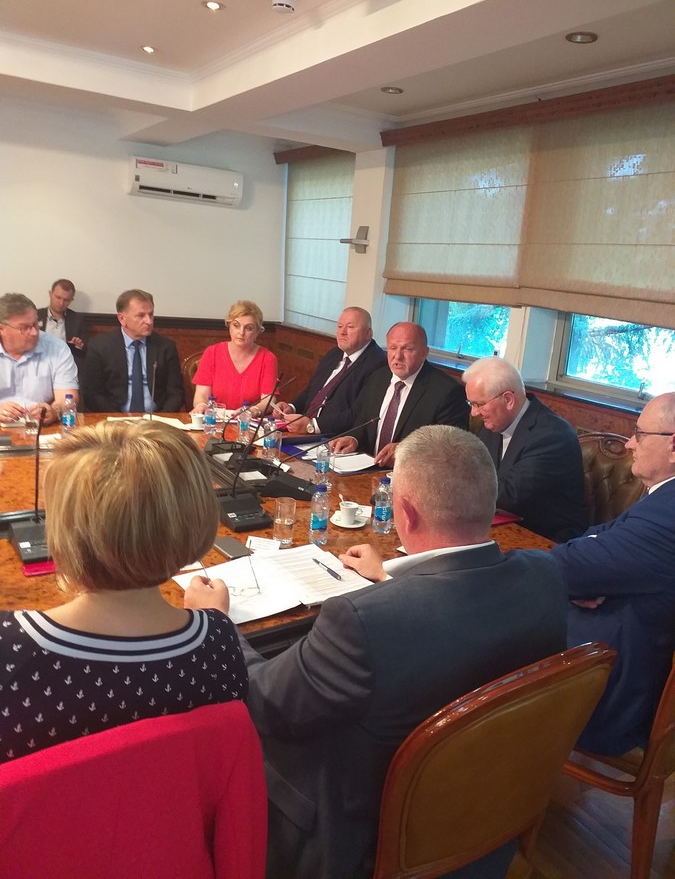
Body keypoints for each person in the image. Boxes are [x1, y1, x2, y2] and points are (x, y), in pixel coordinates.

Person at [184, 425, 567, 879]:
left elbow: (266, 704)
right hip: (485, 818)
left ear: (405, 512)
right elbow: (457, 617)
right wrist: (389, 579)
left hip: (356, 839)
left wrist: (217, 623)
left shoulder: (361, 622)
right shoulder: (545, 575)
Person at [0, 420, 248, 764]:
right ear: (198, 519)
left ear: (60, 530)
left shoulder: (10, 647)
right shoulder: (219, 641)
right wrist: (214, 618)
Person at [552, 392, 675, 756]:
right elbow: (599, 538)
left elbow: (567, 566)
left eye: (640, 433)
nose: (630, 443)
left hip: (611, 691)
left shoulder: (668, 514)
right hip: (617, 652)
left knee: (482, 646)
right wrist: (588, 575)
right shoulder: (661, 499)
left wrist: (581, 578)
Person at [462, 356, 587, 542]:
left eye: (479, 404)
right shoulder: (492, 424)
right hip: (500, 527)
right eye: (471, 404)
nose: (474, 413)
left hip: (546, 539)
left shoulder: (552, 436)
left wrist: (451, 484)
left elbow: (509, 496)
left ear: (508, 399)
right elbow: (473, 470)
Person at [331, 321, 468, 468]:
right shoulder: (377, 378)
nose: (397, 356)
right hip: (368, 469)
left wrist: (405, 450)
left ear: (424, 353)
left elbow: (449, 448)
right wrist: (354, 438)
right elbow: (363, 421)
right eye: (392, 348)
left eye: (407, 349)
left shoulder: (447, 392)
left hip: (413, 474)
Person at [273, 307, 386, 436]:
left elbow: (358, 414)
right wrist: (291, 407)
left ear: (368, 333)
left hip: (334, 437)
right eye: (340, 326)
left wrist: (312, 425)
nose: (342, 332)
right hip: (304, 430)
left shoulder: (377, 364)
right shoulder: (335, 353)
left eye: (350, 327)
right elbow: (312, 390)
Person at [83, 289, 184, 413]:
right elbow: (92, 393)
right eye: (141, 315)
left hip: (157, 418)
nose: (149, 321)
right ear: (122, 319)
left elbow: (175, 393)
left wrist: (162, 418)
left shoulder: (165, 347)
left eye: (151, 314)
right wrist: (117, 419)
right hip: (114, 418)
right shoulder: (100, 346)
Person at [0, 292, 78, 425]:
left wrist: (55, 411)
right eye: (25, 328)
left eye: (36, 324)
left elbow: (68, 396)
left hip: (42, 427)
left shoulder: (57, 348)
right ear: (2, 329)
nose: (34, 332)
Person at [191, 300, 279, 417]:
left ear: (257, 332)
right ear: (229, 326)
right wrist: (201, 405)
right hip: (214, 420)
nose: (241, 332)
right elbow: (201, 394)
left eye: (248, 328)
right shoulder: (212, 353)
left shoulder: (267, 358)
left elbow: (269, 400)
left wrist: (253, 411)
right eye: (236, 325)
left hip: (248, 421)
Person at [37, 278, 88, 373]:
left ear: (71, 300)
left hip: (65, 367)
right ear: (50, 294)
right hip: (39, 364)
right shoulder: (36, 315)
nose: (61, 303)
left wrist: (78, 346)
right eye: (58, 297)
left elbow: (85, 351)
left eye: (66, 300)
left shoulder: (77, 320)